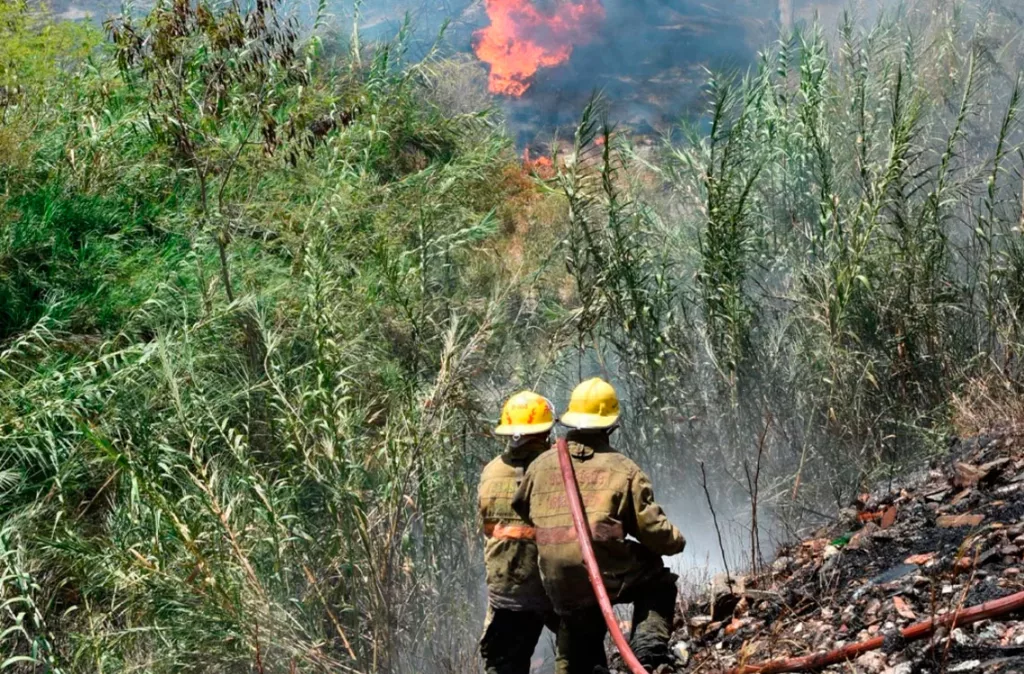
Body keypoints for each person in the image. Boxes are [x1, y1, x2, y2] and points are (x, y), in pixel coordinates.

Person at [512, 377, 685, 674]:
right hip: (601, 572)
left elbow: (522, 507)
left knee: (580, 624)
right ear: (610, 425)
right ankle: (647, 656)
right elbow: (655, 534)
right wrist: (676, 540)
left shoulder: (540, 465)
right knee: (658, 582)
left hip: (557, 581)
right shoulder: (624, 469)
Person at [478, 390, 559, 674]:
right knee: (582, 654)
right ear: (545, 430)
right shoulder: (558, 468)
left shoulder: (490, 471)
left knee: (503, 666)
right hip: (551, 587)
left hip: (506, 592)